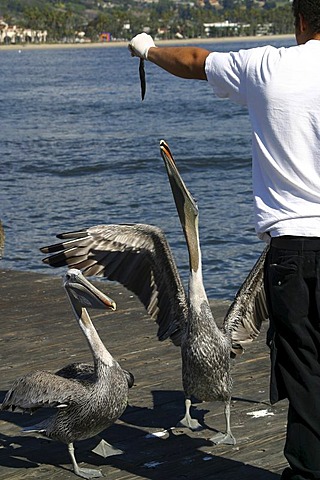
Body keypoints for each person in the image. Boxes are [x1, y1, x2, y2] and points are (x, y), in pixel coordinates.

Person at [129, 1, 320, 479]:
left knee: (305, 372)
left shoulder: (267, 67)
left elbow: (195, 62)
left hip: (293, 249)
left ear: (300, 21)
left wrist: (149, 50)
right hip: (293, 250)